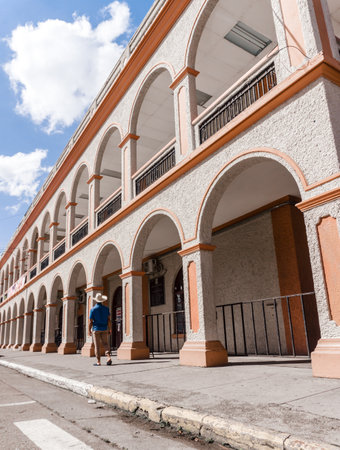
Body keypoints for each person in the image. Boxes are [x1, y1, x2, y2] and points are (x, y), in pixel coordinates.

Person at [89, 293, 112, 366]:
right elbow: (109, 320)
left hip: (96, 329)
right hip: (104, 328)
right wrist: (110, 329)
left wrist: (89, 330)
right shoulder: (106, 309)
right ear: (102, 301)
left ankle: (98, 361)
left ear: (96, 300)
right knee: (106, 344)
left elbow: (91, 321)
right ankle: (108, 357)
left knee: (97, 346)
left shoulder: (93, 309)